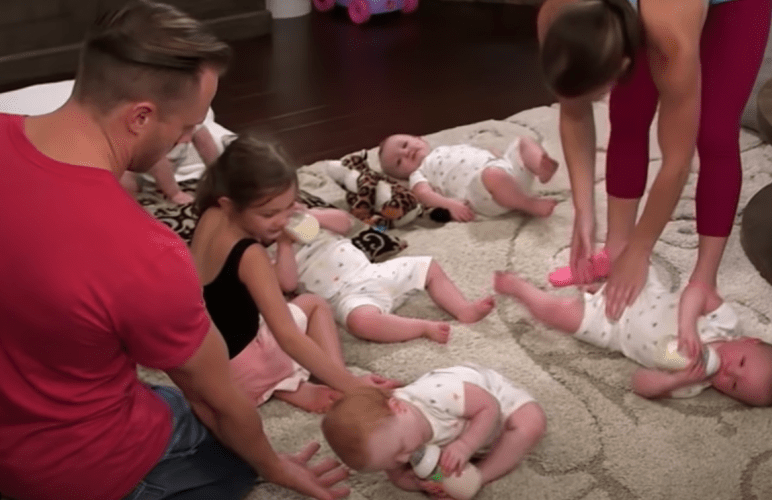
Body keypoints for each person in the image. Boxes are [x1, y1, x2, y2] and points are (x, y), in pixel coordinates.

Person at [0, 0, 352, 500]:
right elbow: (217, 403)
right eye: (188, 127)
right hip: (91, 472)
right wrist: (271, 464)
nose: (188, 140)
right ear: (140, 117)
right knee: (232, 458)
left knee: (171, 401)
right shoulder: (146, 251)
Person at [535, 0, 772, 364]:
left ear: (625, 63)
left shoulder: (669, 38)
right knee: (628, 114)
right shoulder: (558, 15)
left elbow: (676, 163)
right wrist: (584, 210)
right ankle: (615, 249)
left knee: (713, 132)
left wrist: (643, 247)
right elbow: (573, 110)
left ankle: (705, 281)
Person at [189, 134, 401, 414]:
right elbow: (289, 337)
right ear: (232, 204)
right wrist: (353, 386)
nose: (282, 221)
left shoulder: (210, 214)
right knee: (313, 305)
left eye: (289, 208)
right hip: (244, 370)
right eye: (269, 214)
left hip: (211, 365)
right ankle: (334, 379)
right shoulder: (249, 255)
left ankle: (288, 386)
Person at [493, 267, 772, 406]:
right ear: (749, 342)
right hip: (644, 292)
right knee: (634, 249)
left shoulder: (695, 383)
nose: (728, 370)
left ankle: (518, 288)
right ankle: (596, 270)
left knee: (556, 315)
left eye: (732, 384)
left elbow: (639, 383)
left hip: (612, 328)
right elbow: (698, 291)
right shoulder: (726, 326)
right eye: (741, 362)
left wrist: (673, 381)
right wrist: (688, 325)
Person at [272, 205, 496, 345]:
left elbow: (345, 222)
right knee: (361, 322)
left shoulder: (313, 222)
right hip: (346, 298)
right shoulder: (269, 252)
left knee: (428, 266)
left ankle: (463, 309)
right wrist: (283, 245)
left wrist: (313, 215)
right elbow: (287, 283)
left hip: (373, 272)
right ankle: (421, 327)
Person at [321, 365, 546, 496]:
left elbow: (489, 407)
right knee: (442, 469)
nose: (404, 458)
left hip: (489, 398)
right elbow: (399, 478)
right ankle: (470, 474)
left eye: (401, 448)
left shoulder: (440, 395)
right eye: (392, 463)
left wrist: (465, 445)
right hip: (456, 426)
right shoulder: (388, 446)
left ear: (399, 407)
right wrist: (423, 483)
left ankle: (482, 475)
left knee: (532, 424)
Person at [377, 133, 559, 222]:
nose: (406, 152)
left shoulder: (447, 148)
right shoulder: (419, 172)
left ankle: (540, 168)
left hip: (504, 172)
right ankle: (529, 204)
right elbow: (423, 193)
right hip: (481, 193)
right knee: (491, 175)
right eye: (399, 162)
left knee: (523, 141)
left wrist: (495, 154)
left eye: (405, 144)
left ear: (421, 139)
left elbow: (480, 154)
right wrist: (449, 204)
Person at [118, 107, 227, 204]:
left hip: (170, 167)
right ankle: (129, 206)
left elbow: (205, 142)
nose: (186, 140)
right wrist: (174, 193)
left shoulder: (189, 117)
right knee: (125, 180)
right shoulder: (153, 135)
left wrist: (217, 171)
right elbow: (158, 163)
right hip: (139, 169)